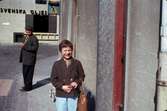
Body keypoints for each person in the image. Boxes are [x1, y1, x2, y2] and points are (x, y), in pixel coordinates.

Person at [50, 39, 85, 111]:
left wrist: (77, 82)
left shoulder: (77, 63)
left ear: (72, 50)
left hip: (73, 93)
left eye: (69, 50)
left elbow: (82, 76)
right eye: (65, 50)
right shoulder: (57, 64)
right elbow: (53, 79)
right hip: (61, 93)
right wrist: (62, 86)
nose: (67, 52)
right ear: (61, 51)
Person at [19, 26, 39, 91]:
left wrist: (25, 47)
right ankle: (26, 85)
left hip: (30, 60)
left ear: (31, 31)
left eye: (28, 31)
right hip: (25, 59)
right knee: (25, 73)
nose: (27, 32)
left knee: (29, 74)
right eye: (26, 31)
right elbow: (23, 44)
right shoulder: (26, 37)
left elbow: (35, 48)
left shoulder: (34, 38)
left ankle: (28, 88)